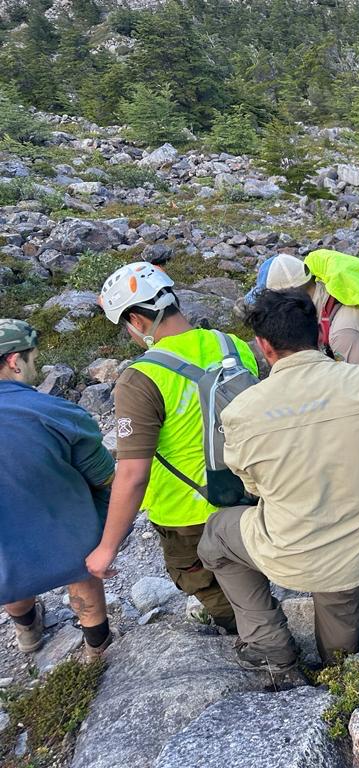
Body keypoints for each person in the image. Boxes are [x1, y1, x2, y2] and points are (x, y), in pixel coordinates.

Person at [197, 289, 359, 672]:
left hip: (288, 551)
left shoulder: (242, 410)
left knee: (215, 536)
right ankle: (338, 671)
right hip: (358, 552)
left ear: (265, 346)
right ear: (319, 334)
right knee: (341, 596)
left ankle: (269, 644)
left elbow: (251, 488)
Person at [87, 263, 258, 635]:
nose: (130, 334)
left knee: (209, 586)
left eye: (125, 326)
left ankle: (256, 640)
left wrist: (107, 548)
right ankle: (258, 618)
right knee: (247, 571)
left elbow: (132, 474)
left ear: (137, 319)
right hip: (247, 491)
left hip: (186, 515)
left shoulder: (141, 377)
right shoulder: (234, 345)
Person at [0, 320, 116, 659]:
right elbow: (104, 478)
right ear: (14, 361)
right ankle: (97, 647)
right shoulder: (58, 413)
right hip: (68, 545)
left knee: (9, 561)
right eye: (32, 359)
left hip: (8, 560)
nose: (34, 367)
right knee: (83, 562)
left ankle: (28, 632)